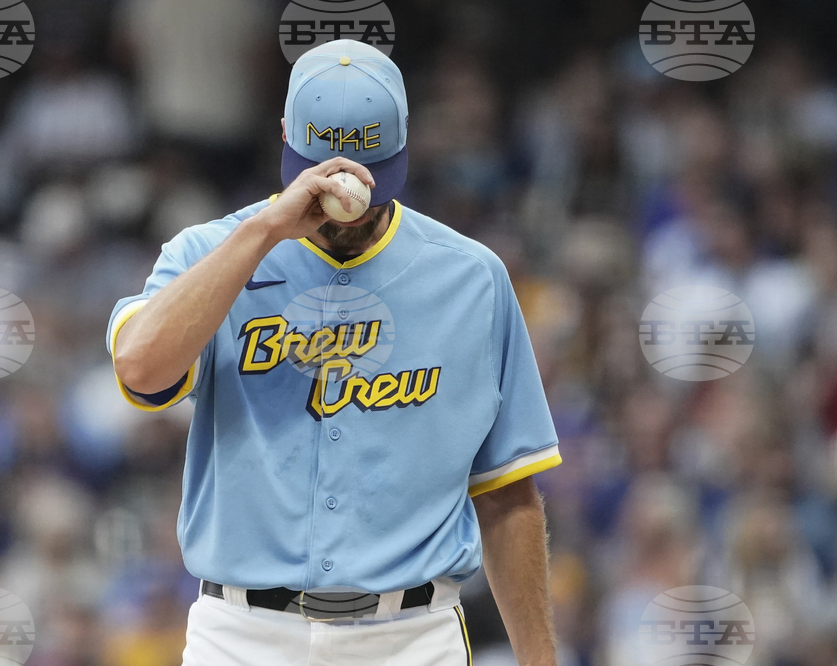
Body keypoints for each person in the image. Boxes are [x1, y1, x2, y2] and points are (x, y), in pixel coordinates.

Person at [107, 40, 562, 666]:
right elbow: (140, 369)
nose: (345, 203)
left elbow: (508, 494)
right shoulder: (207, 255)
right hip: (242, 637)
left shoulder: (472, 278)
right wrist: (264, 233)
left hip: (410, 636)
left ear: (403, 149)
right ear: (286, 138)